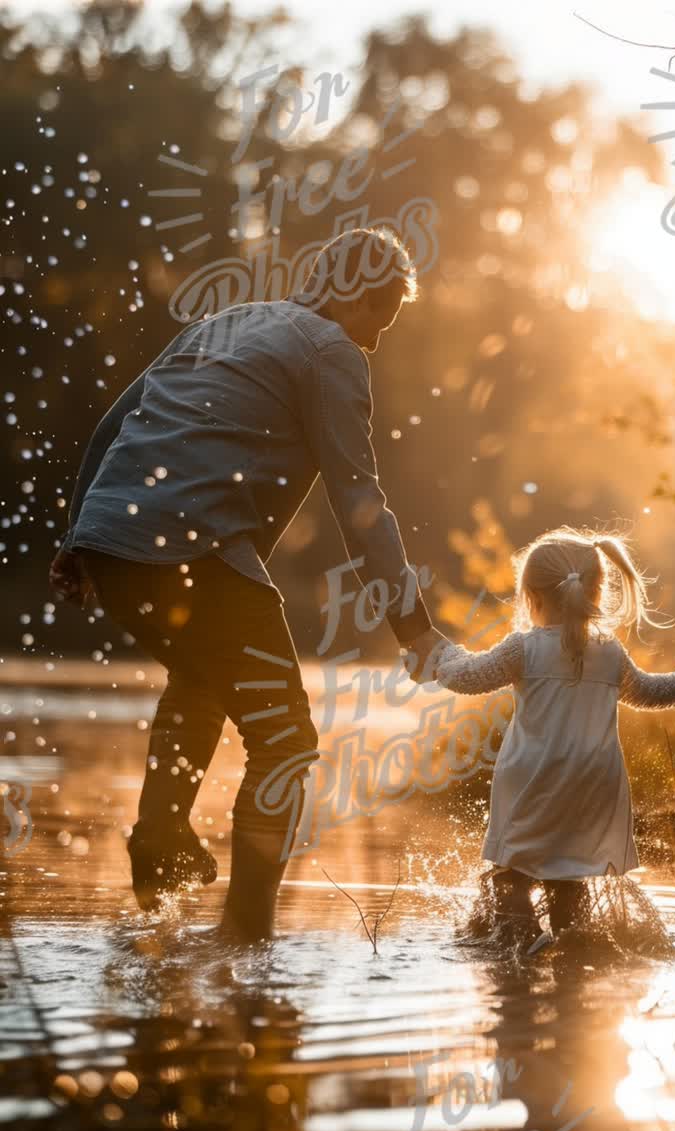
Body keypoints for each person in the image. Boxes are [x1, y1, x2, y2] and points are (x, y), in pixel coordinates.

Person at [49, 226, 447, 941]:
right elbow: (362, 505)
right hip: (189, 555)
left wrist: (77, 536)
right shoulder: (332, 351)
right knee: (287, 739)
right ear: (354, 296)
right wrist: (414, 629)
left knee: (202, 677)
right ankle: (247, 934)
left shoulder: (224, 321)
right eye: (378, 320)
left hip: (112, 545)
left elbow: (111, 424)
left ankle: (159, 836)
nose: (376, 343)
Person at [434, 526, 675, 943]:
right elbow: (648, 693)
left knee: (510, 875)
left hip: (532, 780)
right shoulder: (609, 652)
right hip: (593, 784)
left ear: (530, 597)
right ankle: (573, 947)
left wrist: (440, 657)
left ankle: (516, 948)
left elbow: (469, 678)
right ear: (595, 593)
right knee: (568, 877)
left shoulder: (524, 648)